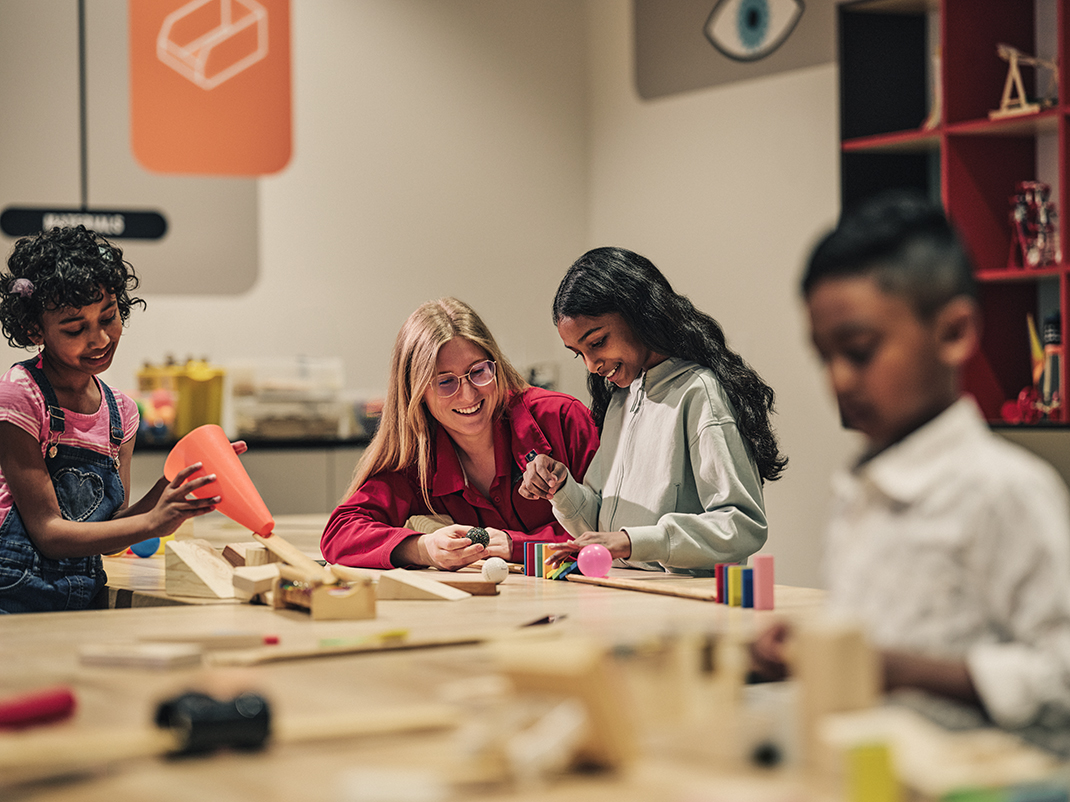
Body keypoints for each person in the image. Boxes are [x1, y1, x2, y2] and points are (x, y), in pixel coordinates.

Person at [751, 191, 1070, 731]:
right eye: (824, 356)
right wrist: (811, 650)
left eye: (859, 350)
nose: (838, 380)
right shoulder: (859, 491)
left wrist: (901, 671)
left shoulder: (1004, 490)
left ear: (954, 333)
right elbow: (874, 637)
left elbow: (1060, 675)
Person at [0, 226, 237, 614]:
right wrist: (150, 525)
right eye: (75, 329)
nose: (100, 339)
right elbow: (49, 533)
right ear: (34, 330)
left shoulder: (120, 413)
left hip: (84, 600)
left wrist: (173, 486)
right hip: (14, 601)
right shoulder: (20, 397)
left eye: (109, 317)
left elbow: (110, 536)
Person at [520, 247, 786, 575]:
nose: (591, 365)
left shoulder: (699, 393)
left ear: (638, 314)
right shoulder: (621, 398)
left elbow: (742, 525)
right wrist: (561, 489)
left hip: (683, 610)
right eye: (579, 353)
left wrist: (634, 542)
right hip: (623, 597)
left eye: (597, 342)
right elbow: (603, 530)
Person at [321, 297, 599, 570]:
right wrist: (422, 548)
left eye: (478, 371)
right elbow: (340, 534)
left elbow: (610, 528)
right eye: (445, 382)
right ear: (416, 393)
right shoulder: (417, 461)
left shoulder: (560, 419)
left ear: (496, 365)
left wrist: (515, 545)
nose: (468, 395)